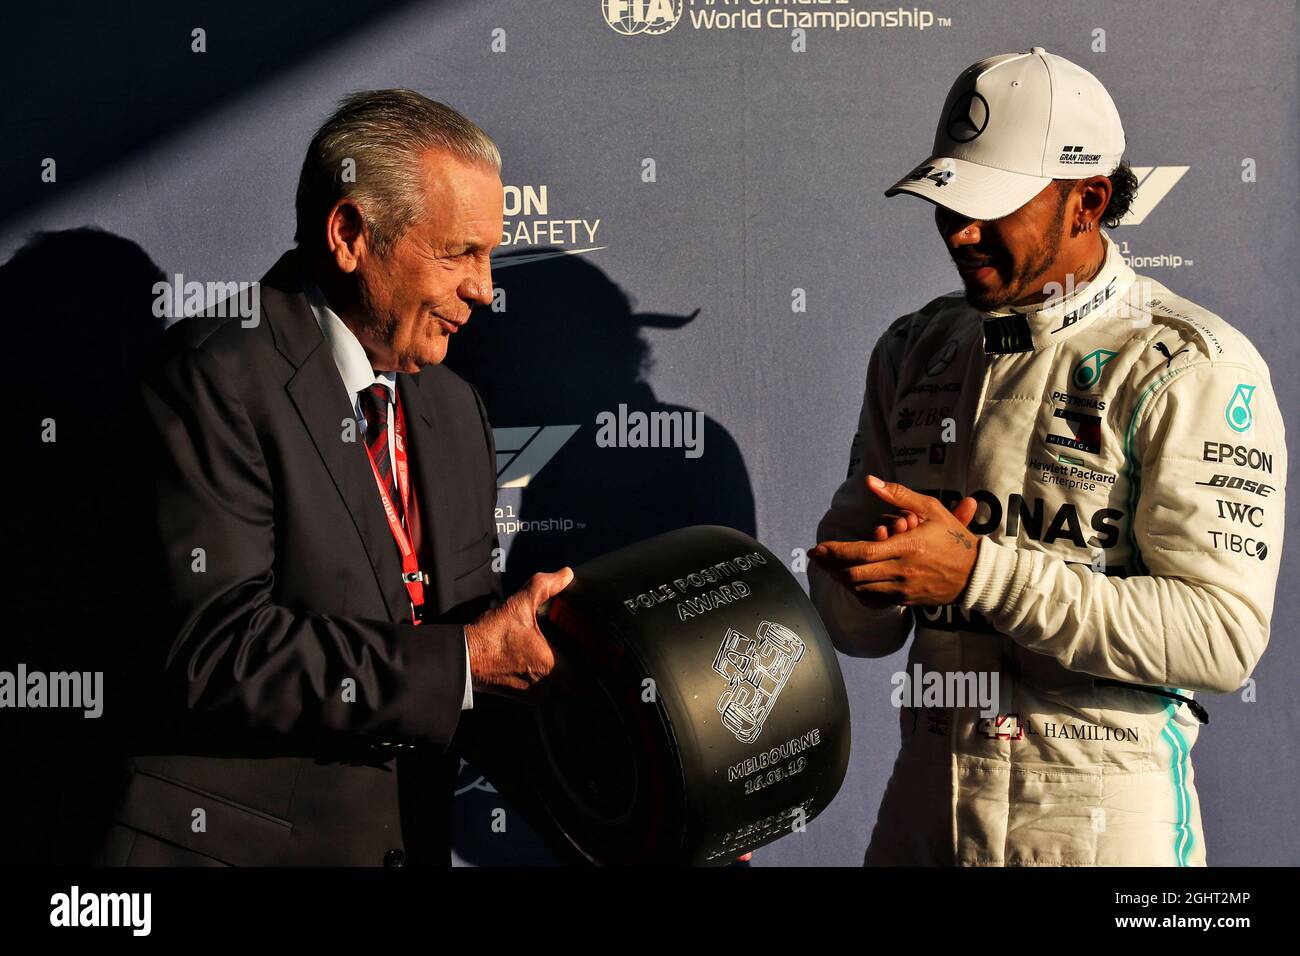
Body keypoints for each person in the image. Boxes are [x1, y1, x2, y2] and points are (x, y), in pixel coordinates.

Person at [809, 48, 1285, 866]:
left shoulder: (1188, 364)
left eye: (992, 205)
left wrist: (977, 575)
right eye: (947, 199)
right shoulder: (913, 347)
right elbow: (859, 632)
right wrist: (862, 578)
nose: (959, 231)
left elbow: (1222, 636)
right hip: (925, 803)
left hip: (1097, 818)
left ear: (1087, 199)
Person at [92, 90, 570, 866]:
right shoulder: (214, 376)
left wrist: (651, 806)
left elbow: (468, 648)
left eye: (490, 255)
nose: (485, 289)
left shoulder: (453, 408)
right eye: (460, 253)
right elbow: (219, 648)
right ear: (350, 235)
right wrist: (463, 663)